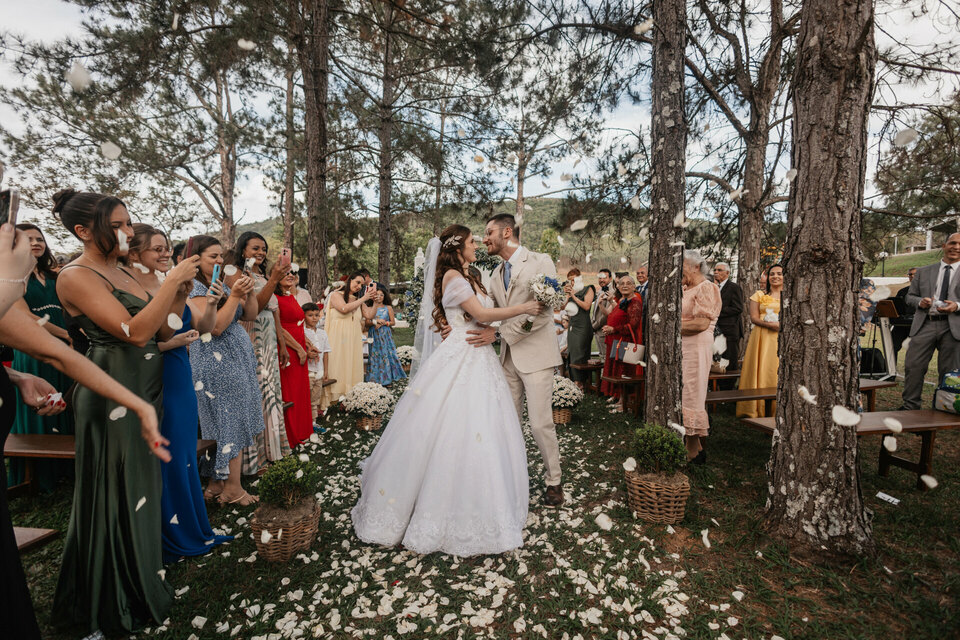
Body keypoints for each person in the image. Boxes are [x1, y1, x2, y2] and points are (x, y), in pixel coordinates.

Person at [50, 189, 198, 635]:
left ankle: (140, 578)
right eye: (117, 225)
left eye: (128, 223)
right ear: (82, 231)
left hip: (147, 391)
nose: (128, 232)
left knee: (141, 488)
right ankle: (107, 598)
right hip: (111, 393)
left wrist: (178, 293)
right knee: (112, 493)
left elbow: (163, 331)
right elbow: (133, 332)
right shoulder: (76, 276)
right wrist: (169, 283)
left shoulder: (125, 270)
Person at [352, 226, 541, 555]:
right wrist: (524, 308)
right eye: (471, 242)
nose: (476, 245)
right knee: (451, 425)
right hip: (461, 355)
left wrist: (493, 331)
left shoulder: (470, 276)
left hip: (478, 354)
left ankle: (487, 498)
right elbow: (481, 314)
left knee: (482, 427)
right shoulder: (453, 277)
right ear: (456, 248)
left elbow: (480, 319)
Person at [126, 224, 231, 562]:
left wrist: (207, 301)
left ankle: (193, 526)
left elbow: (203, 328)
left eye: (166, 248)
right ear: (134, 252)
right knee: (168, 453)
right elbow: (142, 339)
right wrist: (173, 343)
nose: (164, 254)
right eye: (156, 249)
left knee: (184, 452)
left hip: (180, 374)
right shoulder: (132, 287)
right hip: (156, 376)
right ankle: (171, 532)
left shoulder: (166, 283)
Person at [474, 213, 565, 507]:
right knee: (509, 424)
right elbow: (489, 312)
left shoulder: (540, 262)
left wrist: (500, 333)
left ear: (506, 232)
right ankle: (513, 478)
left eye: (488, 233)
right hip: (507, 361)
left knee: (540, 424)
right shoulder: (494, 274)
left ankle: (554, 481)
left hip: (537, 356)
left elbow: (543, 315)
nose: (484, 239)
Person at [185, 235, 264, 505]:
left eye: (221, 255)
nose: (220, 260)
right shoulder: (194, 288)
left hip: (234, 359)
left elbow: (250, 314)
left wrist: (248, 293)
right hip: (215, 362)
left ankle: (216, 483)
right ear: (196, 259)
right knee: (229, 421)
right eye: (213, 256)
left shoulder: (218, 284)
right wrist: (236, 296)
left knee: (226, 420)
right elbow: (215, 328)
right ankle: (233, 488)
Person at [6, 223, 75, 492]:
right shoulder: (11, 276)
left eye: (39, 239)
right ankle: (38, 476)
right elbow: (26, 316)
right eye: (28, 239)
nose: (35, 243)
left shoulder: (56, 276)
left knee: (64, 399)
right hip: (33, 346)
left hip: (65, 348)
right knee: (40, 400)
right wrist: (66, 334)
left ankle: (66, 470)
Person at [231, 231, 291, 471]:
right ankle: (256, 456)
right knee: (256, 394)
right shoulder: (237, 274)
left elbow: (274, 313)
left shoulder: (263, 276)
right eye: (255, 248)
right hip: (250, 338)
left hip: (269, 341)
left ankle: (273, 449)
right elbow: (254, 308)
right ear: (243, 250)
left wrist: (282, 344)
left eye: (263, 249)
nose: (261, 252)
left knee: (271, 394)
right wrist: (274, 280)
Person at [901, 234, 960, 409]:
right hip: (925, 324)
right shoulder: (924, 271)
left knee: (949, 371)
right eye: (953, 243)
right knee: (913, 366)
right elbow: (909, 297)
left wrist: (956, 306)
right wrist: (920, 302)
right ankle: (910, 407)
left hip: (954, 327)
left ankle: (944, 408)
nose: (956, 247)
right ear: (944, 245)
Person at [680, 251, 722, 463]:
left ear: (696, 266)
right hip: (683, 346)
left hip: (696, 347)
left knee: (692, 393)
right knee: (683, 391)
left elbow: (701, 323)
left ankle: (692, 450)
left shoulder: (707, 287)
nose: (679, 271)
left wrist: (670, 326)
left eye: (682, 266)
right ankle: (694, 447)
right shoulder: (685, 289)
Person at [321, 272, 376, 407]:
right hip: (337, 339)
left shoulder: (357, 299)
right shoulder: (336, 295)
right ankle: (333, 398)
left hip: (353, 340)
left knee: (351, 365)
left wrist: (375, 301)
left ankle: (349, 398)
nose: (359, 286)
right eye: (357, 282)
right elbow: (344, 308)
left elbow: (369, 315)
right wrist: (364, 298)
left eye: (362, 285)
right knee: (336, 364)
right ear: (350, 280)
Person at [737, 264, 783, 418]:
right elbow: (754, 318)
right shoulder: (759, 295)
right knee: (760, 367)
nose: (775, 277)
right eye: (772, 274)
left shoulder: (790, 296)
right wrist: (770, 325)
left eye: (779, 274)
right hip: (761, 336)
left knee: (775, 369)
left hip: (780, 338)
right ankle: (754, 408)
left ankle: (777, 409)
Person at [275, 270, 315, 448]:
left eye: (292, 273)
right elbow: (280, 328)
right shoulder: (275, 298)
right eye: (285, 273)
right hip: (287, 348)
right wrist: (299, 348)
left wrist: (307, 343)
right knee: (290, 390)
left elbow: (298, 323)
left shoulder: (289, 295)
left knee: (300, 390)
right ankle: (291, 434)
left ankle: (302, 430)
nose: (290, 275)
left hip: (299, 345)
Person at [600, 275, 644, 412]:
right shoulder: (623, 300)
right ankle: (620, 400)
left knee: (625, 372)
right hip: (617, 340)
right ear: (618, 287)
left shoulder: (635, 302)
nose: (625, 285)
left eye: (628, 283)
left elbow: (633, 324)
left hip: (626, 342)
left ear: (634, 286)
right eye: (621, 283)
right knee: (618, 372)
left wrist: (614, 329)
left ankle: (626, 403)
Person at [365, 284, 406, 386]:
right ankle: (374, 378)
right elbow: (366, 323)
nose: (379, 297)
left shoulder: (388, 308)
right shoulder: (369, 308)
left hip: (385, 335)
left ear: (384, 297)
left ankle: (387, 379)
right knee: (374, 354)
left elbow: (393, 322)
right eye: (377, 295)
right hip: (374, 334)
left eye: (381, 295)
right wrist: (375, 322)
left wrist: (384, 323)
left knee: (385, 354)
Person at [563, 268, 595, 388]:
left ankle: (581, 382)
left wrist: (574, 296)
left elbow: (587, 306)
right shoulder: (570, 292)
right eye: (569, 280)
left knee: (580, 353)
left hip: (583, 326)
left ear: (579, 278)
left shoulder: (588, 289)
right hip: (573, 326)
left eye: (573, 279)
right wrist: (567, 295)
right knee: (572, 353)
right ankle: (573, 381)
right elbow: (562, 307)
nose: (571, 282)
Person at [713, 261, 744, 373]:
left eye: (719, 270)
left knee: (729, 363)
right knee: (717, 361)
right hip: (716, 331)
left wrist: (717, 311)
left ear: (727, 273)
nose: (716, 272)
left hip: (730, 331)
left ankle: (729, 384)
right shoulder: (714, 288)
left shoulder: (734, 287)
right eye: (715, 270)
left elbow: (738, 308)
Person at [303, 302, 331, 421]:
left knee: (315, 398)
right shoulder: (302, 333)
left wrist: (325, 371)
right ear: (304, 317)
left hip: (319, 371)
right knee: (305, 398)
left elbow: (326, 353)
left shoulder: (322, 333)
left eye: (316, 315)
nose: (314, 318)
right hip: (307, 371)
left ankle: (313, 422)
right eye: (310, 315)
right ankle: (305, 422)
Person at [889, 267, 917, 360]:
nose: (912, 276)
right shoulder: (902, 291)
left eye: (915, 274)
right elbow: (896, 307)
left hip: (917, 325)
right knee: (891, 346)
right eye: (910, 274)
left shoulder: (927, 291)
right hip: (900, 324)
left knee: (914, 350)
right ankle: (891, 368)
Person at [592, 268, 615, 354]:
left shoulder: (611, 292)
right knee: (601, 356)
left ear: (610, 278)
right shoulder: (600, 291)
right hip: (597, 331)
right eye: (600, 278)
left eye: (604, 277)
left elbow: (606, 315)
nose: (601, 280)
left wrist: (594, 326)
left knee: (606, 356)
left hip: (604, 330)